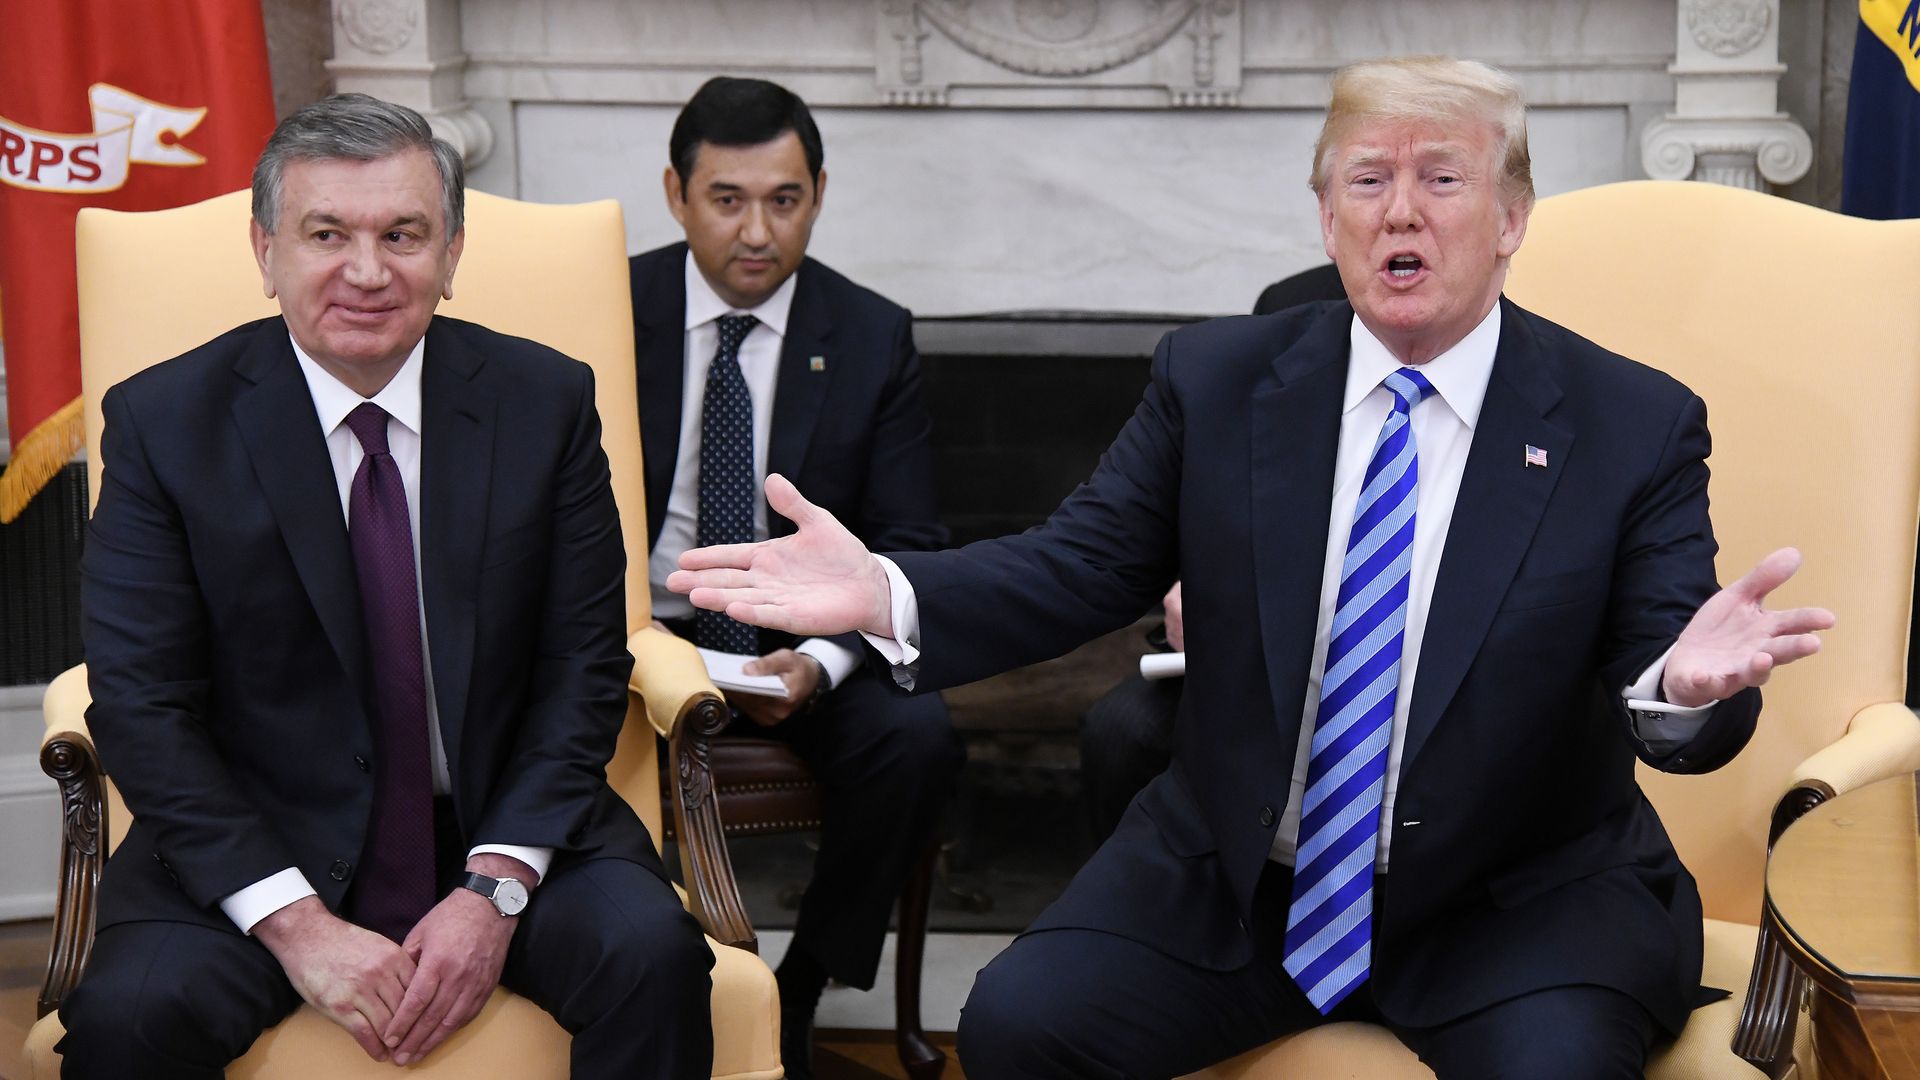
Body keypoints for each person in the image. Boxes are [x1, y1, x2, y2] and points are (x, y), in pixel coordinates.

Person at [669, 57, 1836, 1078]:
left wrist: (1682, 688)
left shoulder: (1629, 421)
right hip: (1246, 886)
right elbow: (1078, 566)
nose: (1400, 212)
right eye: (1367, 181)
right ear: (1327, 219)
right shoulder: (1217, 381)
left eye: (1442, 179)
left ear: (1513, 216)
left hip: (1518, 902)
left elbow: (1672, 662)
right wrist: (886, 590)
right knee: (1021, 1025)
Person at [59, 94, 713, 1078]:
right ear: (265, 249)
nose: (368, 272)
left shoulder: (545, 403)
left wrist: (495, 889)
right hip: (254, 841)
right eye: (327, 234)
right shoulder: (164, 424)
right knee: (131, 1017)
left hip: (498, 821)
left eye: (403, 235)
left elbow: (582, 668)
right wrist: (293, 921)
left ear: (451, 255)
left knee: (651, 959)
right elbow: (142, 705)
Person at [630, 75, 964, 1077]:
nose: (756, 232)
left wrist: (820, 659)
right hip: (640, 631)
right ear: (676, 195)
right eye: (726, 200)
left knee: (917, 738)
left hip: (797, 634)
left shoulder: (869, 333)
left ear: (818, 193)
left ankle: (800, 987)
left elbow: (911, 538)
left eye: (784, 200)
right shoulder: (608, 305)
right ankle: (642, 987)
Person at [1083, 267, 1351, 844]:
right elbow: (1238, 486)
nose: (1399, 223)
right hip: (1265, 652)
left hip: (1430, 655)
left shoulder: (1527, 313)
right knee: (1122, 729)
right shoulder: (1292, 305)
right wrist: (1199, 581)